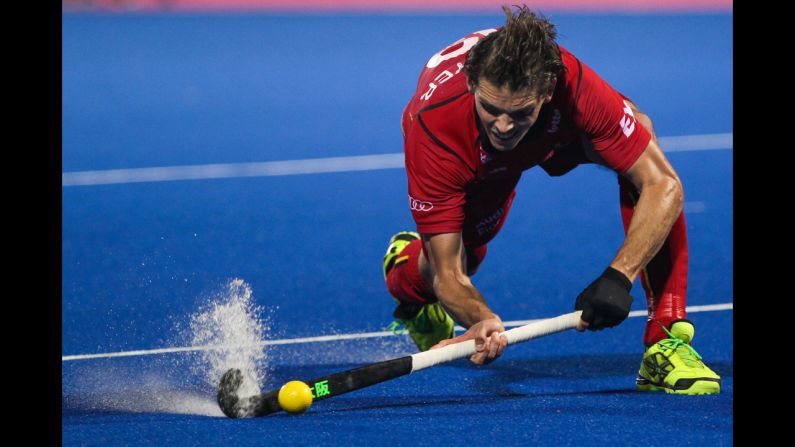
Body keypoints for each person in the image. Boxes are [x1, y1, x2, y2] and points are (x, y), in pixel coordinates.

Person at [382, 4, 720, 395]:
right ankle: (404, 276)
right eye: (491, 109)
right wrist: (482, 317)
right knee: (463, 258)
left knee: (641, 144)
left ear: (545, 91)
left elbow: (665, 185)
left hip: (555, 134)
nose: (503, 126)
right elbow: (449, 276)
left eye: (518, 112)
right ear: (473, 84)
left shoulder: (572, 84)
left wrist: (618, 277)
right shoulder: (435, 130)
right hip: (474, 159)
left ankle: (666, 339)